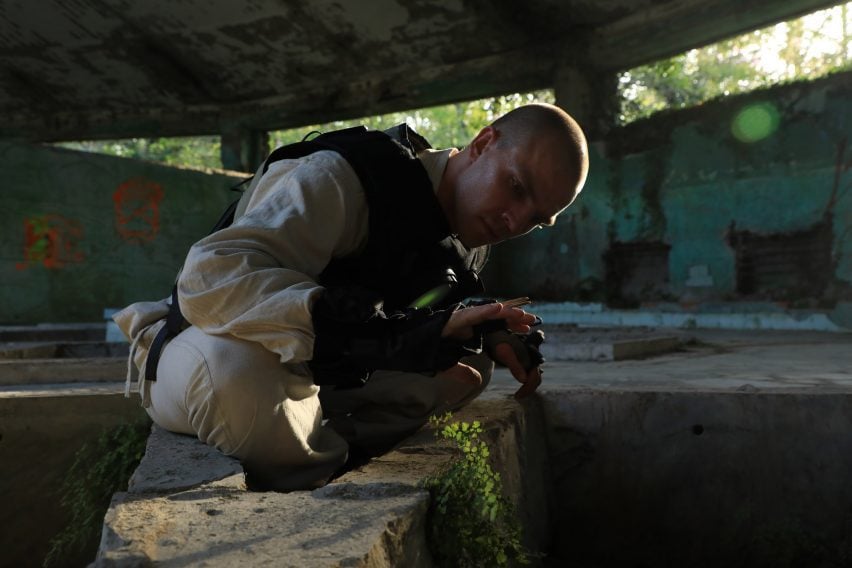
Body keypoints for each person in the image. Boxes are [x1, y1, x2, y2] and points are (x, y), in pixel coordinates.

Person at [115, 103, 589, 491]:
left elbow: (412, 318)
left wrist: (479, 330)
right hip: (201, 345)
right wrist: (377, 337)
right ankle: (315, 478)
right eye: (516, 187)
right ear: (484, 143)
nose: (515, 221)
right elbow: (207, 280)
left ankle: (308, 445)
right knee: (235, 372)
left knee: (469, 370)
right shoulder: (342, 176)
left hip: (318, 369)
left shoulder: (468, 239)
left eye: (536, 218)